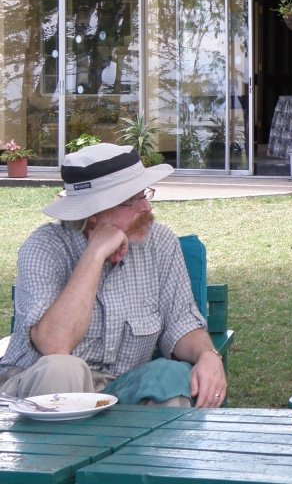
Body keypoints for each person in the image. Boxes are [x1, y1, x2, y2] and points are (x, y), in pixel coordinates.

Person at [0, 143, 227, 407]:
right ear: (93, 214)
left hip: (121, 387)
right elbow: (55, 344)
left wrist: (208, 355)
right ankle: (65, 450)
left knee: (173, 375)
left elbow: (181, 324)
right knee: (63, 368)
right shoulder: (45, 248)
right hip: (40, 392)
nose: (146, 208)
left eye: (144, 195)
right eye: (131, 200)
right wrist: (94, 255)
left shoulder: (159, 242)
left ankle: (159, 449)